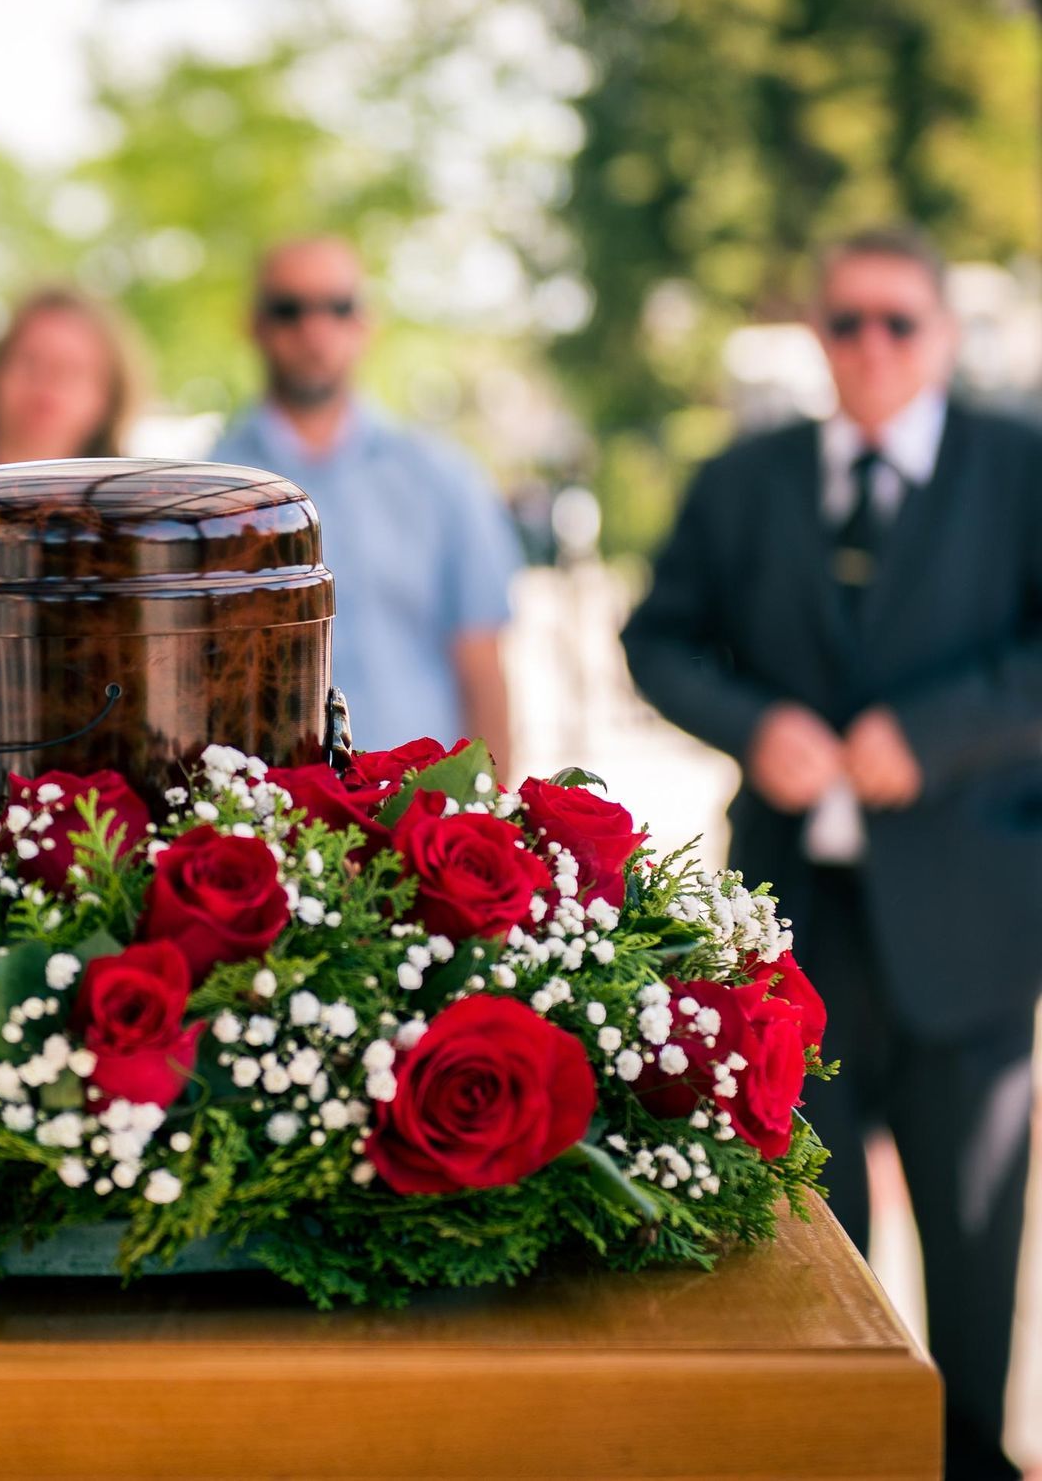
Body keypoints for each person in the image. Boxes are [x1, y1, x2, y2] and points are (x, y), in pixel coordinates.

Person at [622, 227, 1041, 1481]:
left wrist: (938, 732)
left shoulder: (1020, 466)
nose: (872, 346)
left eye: (898, 322)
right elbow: (658, 637)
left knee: (974, 1250)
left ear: (943, 334)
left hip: (971, 921)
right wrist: (759, 724)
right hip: (791, 924)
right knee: (811, 1248)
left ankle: (970, 1456)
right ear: (818, 334)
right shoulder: (746, 476)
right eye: (847, 321)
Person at [211, 236, 518, 766]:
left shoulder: (444, 477)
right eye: (289, 309)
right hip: (266, 826)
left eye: (338, 307)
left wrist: (495, 819)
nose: (315, 329)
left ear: (366, 324)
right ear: (255, 325)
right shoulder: (208, 491)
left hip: (421, 817)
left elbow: (482, 668)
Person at [0, 285, 139, 467]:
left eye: (72, 370)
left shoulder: (146, 496)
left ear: (108, 395)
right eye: (31, 362)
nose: (50, 380)